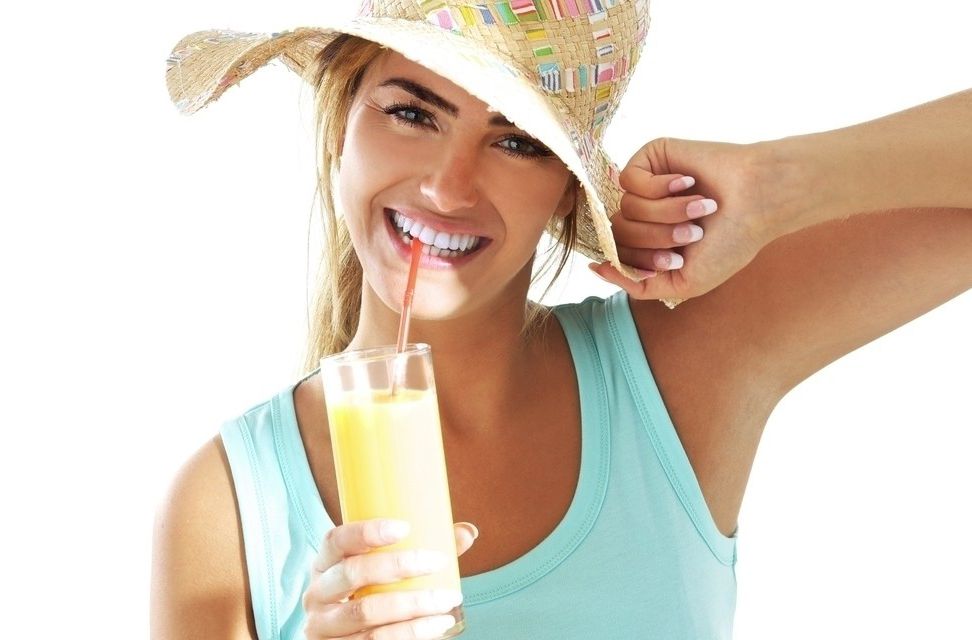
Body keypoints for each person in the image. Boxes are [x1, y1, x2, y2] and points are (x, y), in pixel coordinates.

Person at [152, 2, 972, 639]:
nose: (447, 188)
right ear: (341, 125)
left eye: (518, 143)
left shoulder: (684, 372)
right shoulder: (226, 507)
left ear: (569, 190)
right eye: (412, 113)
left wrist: (778, 182)